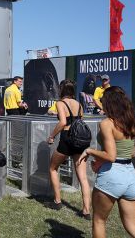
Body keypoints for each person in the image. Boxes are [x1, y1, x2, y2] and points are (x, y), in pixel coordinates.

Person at [78, 86, 135, 237]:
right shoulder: (130, 122)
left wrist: (89, 151)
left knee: (99, 221)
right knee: (134, 227)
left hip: (112, 175)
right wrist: (100, 161)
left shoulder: (107, 123)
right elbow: (131, 153)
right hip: (130, 177)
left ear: (109, 103)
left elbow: (111, 156)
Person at [45, 80, 91, 220]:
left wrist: (52, 136)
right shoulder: (79, 104)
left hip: (66, 138)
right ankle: (86, 211)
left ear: (61, 90)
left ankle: (57, 201)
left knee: (53, 168)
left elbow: (63, 122)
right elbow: (79, 121)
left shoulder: (60, 103)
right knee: (82, 177)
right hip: (80, 140)